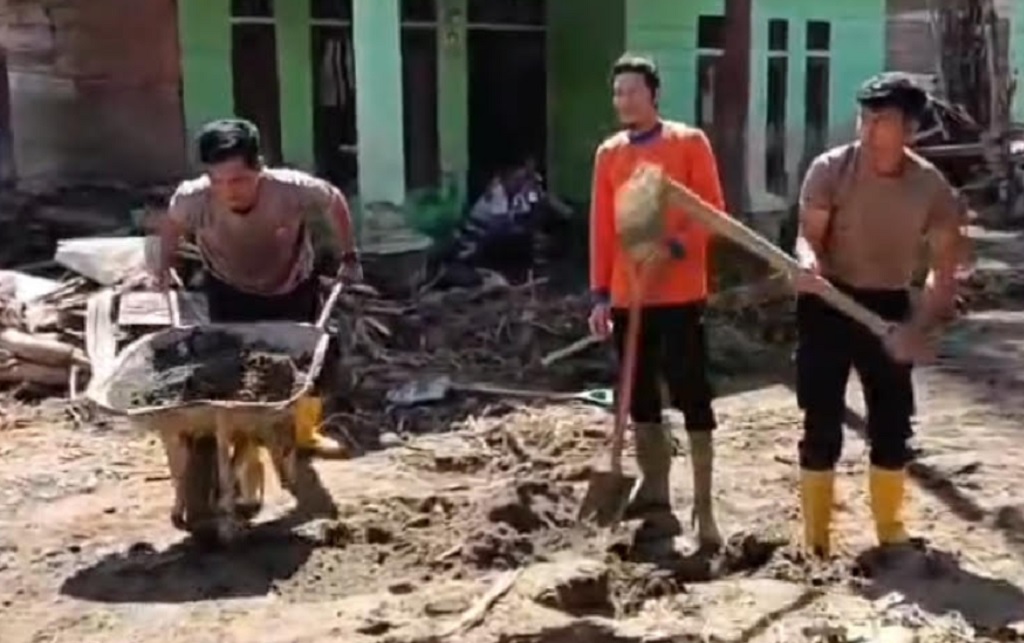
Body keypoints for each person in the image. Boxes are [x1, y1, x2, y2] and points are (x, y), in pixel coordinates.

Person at [793, 73, 964, 557]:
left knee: (892, 424)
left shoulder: (931, 188)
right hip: (827, 301)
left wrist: (916, 328)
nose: (867, 129)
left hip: (889, 305)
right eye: (863, 118)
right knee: (821, 422)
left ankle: (890, 530)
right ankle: (815, 540)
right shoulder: (830, 168)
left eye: (881, 120)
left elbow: (943, 275)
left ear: (909, 129)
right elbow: (808, 237)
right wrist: (807, 264)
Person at [155, 118, 362, 459]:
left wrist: (349, 255)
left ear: (259, 169)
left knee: (312, 361)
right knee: (231, 365)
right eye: (217, 181)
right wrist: (164, 266)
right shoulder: (193, 198)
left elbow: (334, 200)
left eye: (238, 179)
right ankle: (243, 435)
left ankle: (304, 433)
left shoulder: (291, 189)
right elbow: (171, 226)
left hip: (291, 284)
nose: (228, 190)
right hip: (229, 288)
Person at [588, 54, 726, 554]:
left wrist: (675, 248)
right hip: (629, 295)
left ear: (654, 94)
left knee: (692, 391)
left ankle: (704, 506)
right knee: (639, 394)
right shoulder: (610, 154)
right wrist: (600, 294)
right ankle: (655, 491)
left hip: (679, 293)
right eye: (618, 92)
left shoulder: (688, 143)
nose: (624, 100)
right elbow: (602, 228)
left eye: (633, 91)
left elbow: (712, 211)